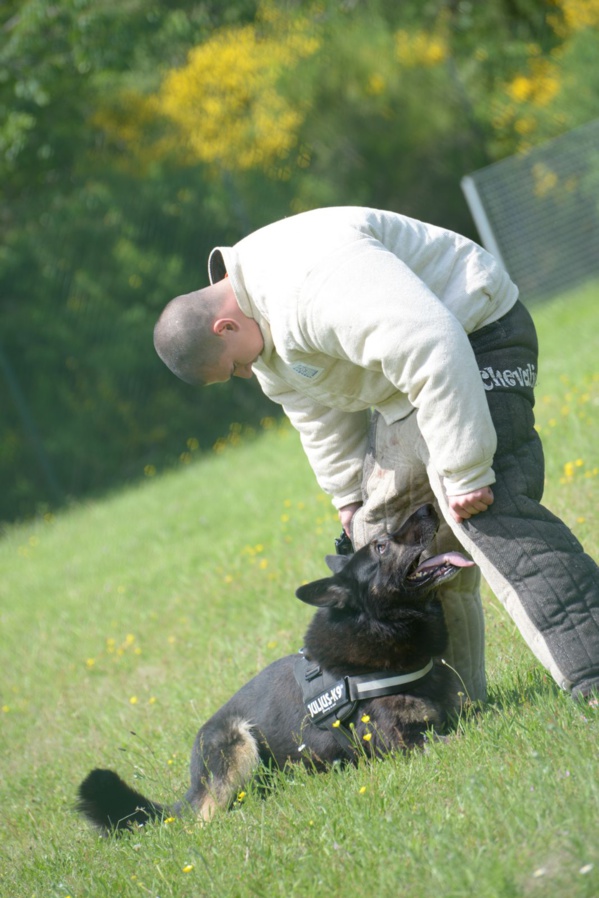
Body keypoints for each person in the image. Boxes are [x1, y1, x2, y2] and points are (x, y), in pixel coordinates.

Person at [153, 206, 599, 704]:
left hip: (477, 336)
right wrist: (347, 496)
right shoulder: (260, 326)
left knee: (487, 515)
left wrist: (467, 468)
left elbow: (433, 342)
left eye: (234, 367)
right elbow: (314, 407)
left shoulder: (309, 283)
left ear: (223, 329)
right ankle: (455, 703)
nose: (245, 374)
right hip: (407, 385)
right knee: (385, 547)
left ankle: (591, 675)